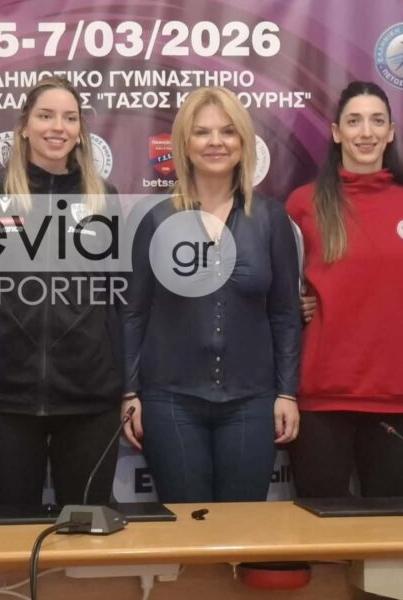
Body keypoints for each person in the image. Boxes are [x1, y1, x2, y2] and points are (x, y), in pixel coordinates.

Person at [122, 86, 301, 503]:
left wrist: (287, 392)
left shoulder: (271, 218)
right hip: (170, 402)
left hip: (251, 401)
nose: (215, 142)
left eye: (227, 131)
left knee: (241, 526)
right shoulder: (155, 219)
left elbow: (285, 314)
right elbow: (134, 312)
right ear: (184, 144)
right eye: (202, 132)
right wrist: (129, 393)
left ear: (243, 141)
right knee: (186, 526)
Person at [0, 74, 124, 508]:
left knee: (88, 530)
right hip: (9, 399)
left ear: (80, 130)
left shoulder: (102, 197)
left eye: (70, 118)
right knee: (8, 530)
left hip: (89, 398)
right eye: (46, 116)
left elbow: (115, 293)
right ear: (23, 126)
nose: (58, 127)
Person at [285, 80, 403, 498]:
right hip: (322, 396)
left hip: (396, 395)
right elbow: (277, 290)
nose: (366, 132)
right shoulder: (303, 202)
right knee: (320, 529)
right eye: (354, 121)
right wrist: (298, 304)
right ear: (336, 132)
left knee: (390, 531)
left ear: (391, 132)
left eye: (377, 121)